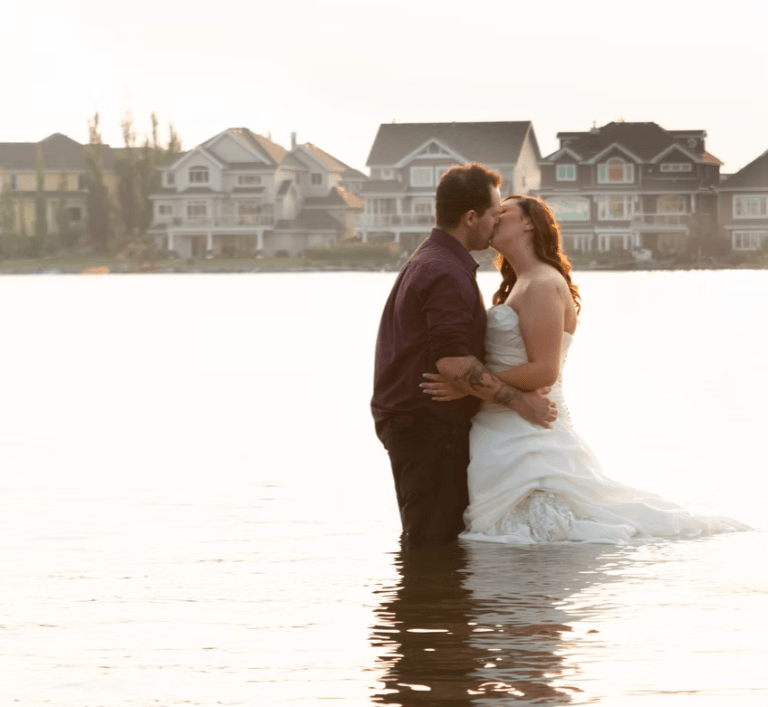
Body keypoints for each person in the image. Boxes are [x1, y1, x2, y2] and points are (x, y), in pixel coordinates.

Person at [422, 195, 749, 543]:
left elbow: (544, 372)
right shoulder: (522, 282)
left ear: (529, 223)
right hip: (500, 427)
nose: (494, 217)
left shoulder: (542, 283)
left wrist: (468, 384)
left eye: (503, 212)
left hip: (528, 430)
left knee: (541, 532)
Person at [371, 164, 557, 547]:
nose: (495, 222)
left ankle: (429, 588)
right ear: (471, 217)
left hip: (416, 422)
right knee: (433, 542)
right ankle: (426, 587)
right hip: (428, 425)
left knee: (432, 542)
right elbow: (453, 362)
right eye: (493, 214)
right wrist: (520, 402)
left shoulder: (433, 259)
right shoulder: (445, 271)